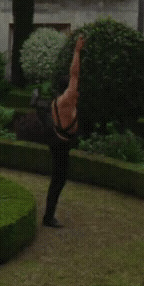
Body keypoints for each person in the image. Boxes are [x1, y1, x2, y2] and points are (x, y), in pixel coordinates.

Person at [43, 35, 85, 228]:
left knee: (59, 180)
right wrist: (77, 52)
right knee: (58, 181)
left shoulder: (60, 101)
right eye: (73, 88)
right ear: (67, 90)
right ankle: (48, 217)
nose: (77, 90)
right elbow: (75, 74)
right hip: (60, 145)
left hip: (60, 144)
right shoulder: (66, 102)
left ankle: (49, 215)